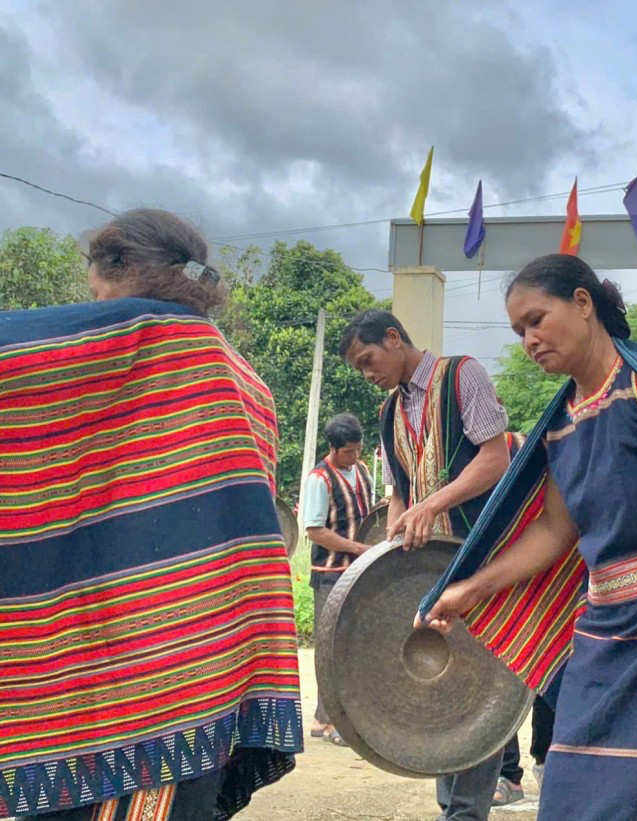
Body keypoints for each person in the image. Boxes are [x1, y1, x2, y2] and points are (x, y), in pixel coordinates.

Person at [417, 254, 637, 821]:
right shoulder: (559, 421)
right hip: (606, 630)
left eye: (537, 319)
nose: (530, 339)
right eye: (519, 331)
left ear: (583, 304)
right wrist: (472, 588)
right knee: (575, 795)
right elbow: (555, 531)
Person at [0, 208, 302, 819]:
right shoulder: (250, 385)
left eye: (94, 285)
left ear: (120, 268)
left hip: (95, 681)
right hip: (204, 678)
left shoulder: (114, 341)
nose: (90, 303)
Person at [340, 308, 515, 821]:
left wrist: (433, 505)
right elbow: (400, 492)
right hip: (427, 568)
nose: (368, 374)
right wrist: (393, 538)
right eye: (359, 368)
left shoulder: (464, 376)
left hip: (482, 558)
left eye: (369, 360)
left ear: (395, 338)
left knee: (478, 684)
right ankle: (452, 809)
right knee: (438, 689)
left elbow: (495, 459)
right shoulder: (388, 412)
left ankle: (465, 812)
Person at [300, 412, 374, 745]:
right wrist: (356, 547)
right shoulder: (319, 479)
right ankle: (328, 720)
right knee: (330, 647)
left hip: (359, 571)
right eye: (348, 452)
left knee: (354, 645)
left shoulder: (362, 472)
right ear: (333, 448)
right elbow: (315, 530)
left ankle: (326, 717)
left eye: (358, 450)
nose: (355, 457)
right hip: (330, 574)